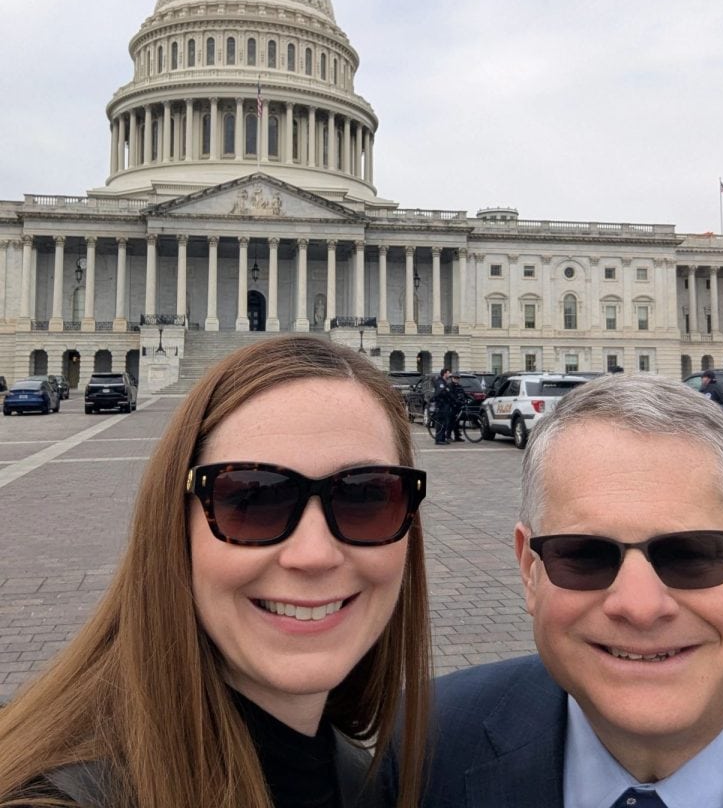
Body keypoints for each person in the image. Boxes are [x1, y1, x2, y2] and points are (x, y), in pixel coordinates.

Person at [0, 336, 431, 808]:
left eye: (366, 496)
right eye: (250, 499)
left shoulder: (365, 776)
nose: (313, 555)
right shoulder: (54, 795)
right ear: (175, 525)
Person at [405, 373, 723, 807]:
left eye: (689, 554)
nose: (639, 607)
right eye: (584, 555)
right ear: (530, 572)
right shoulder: (421, 744)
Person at [432, 368, 453, 445]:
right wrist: (446, 392)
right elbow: (439, 393)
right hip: (441, 405)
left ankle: (443, 439)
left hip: (445, 405)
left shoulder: (444, 382)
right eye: (448, 373)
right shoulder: (440, 382)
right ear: (444, 374)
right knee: (440, 423)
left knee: (445, 423)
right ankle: (438, 440)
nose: (449, 374)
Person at [448, 375, 467, 442]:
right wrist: (456, 401)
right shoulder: (450, 386)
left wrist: (469, 398)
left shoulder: (459, 386)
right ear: (452, 378)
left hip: (458, 406)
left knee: (457, 421)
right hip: (452, 405)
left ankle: (457, 437)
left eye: (458, 378)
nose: (456, 379)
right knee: (451, 421)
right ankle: (448, 436)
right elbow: (451, 395)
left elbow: (464, 394)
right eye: (455, 378)